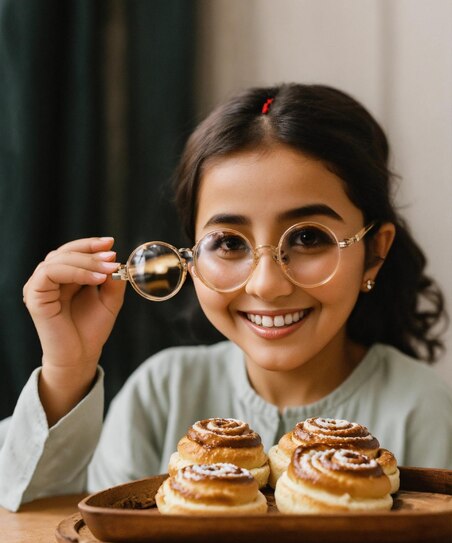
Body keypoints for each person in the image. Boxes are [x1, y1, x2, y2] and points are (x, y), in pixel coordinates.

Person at [1, 83, 451, 512]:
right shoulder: (161, 393)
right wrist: (67, 370)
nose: (266, 285)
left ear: (374, 252)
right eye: (230, 244)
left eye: (309, 237)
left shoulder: (424, 410)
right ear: (191, 260)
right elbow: (48, 539)